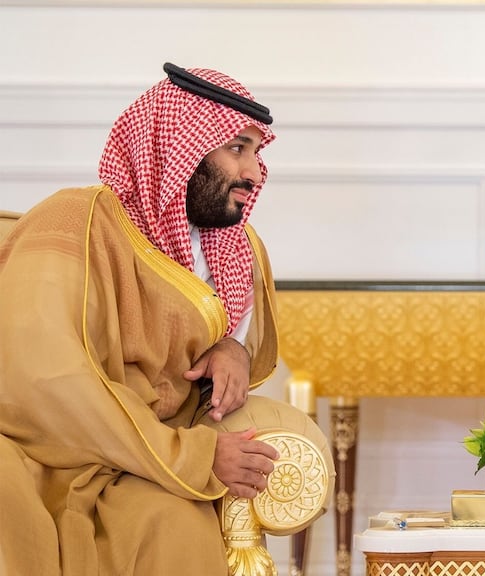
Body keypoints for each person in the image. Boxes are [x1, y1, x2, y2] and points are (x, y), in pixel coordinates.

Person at [0, 63, 330, 575]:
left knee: (172, 523)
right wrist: (189, 457)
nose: (254, 173)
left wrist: (233, 350)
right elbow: (45, 379)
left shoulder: (230, 251)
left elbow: (222, 334)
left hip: (133, 468)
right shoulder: (72, 220)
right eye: (236, 148)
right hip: (36, 451)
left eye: (257, 152)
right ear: (176, 148)